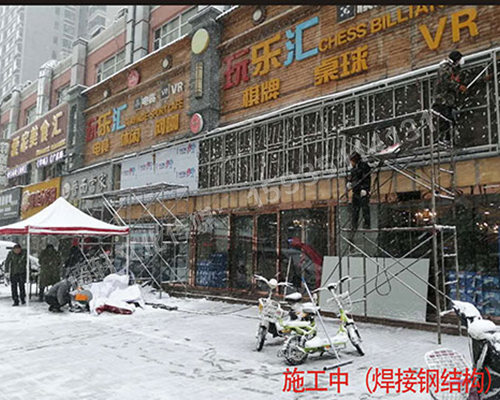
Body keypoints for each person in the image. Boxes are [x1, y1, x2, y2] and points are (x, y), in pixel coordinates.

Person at [432, 50, 467, 143]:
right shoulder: (445, 68)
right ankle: (443, 140)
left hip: (448, 102)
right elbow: (445, 82)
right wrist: (458, 86)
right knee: (445, 121)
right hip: (442, 101)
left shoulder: (453, 69)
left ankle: (447, 140)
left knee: (449, 121)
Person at [347, 152, 371, 232]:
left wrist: (365, 188)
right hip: (356, 190)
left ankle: (366, 224)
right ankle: (354, 225)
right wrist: (349, 182)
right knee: (355, 209)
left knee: (365, 208)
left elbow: (366, 178)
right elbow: (352, 177)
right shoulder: (354, 168)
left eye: (351, 161)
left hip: (362, 190)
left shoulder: (364, 167)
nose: (351, 163)